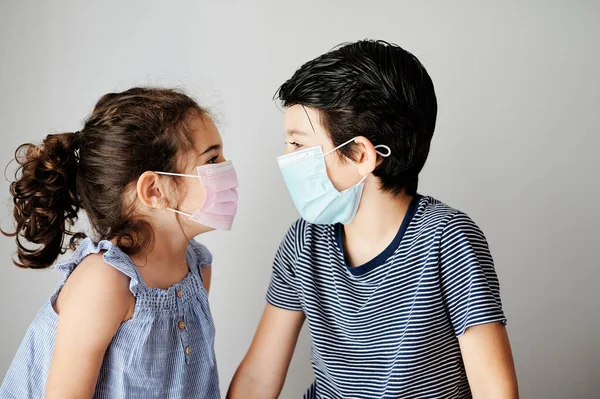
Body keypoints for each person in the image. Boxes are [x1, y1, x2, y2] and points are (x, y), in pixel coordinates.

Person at [228, 40, 518, 398]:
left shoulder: (449, 237)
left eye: (298, 144)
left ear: (361, 155)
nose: (286, 157)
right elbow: (258, 376)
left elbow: (494, 389)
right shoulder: (303, 241)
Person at [0, 87, 238, 398]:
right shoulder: (105, 280)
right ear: (154, 190)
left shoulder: (197, 267)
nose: (226, 167)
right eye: (212, 157)